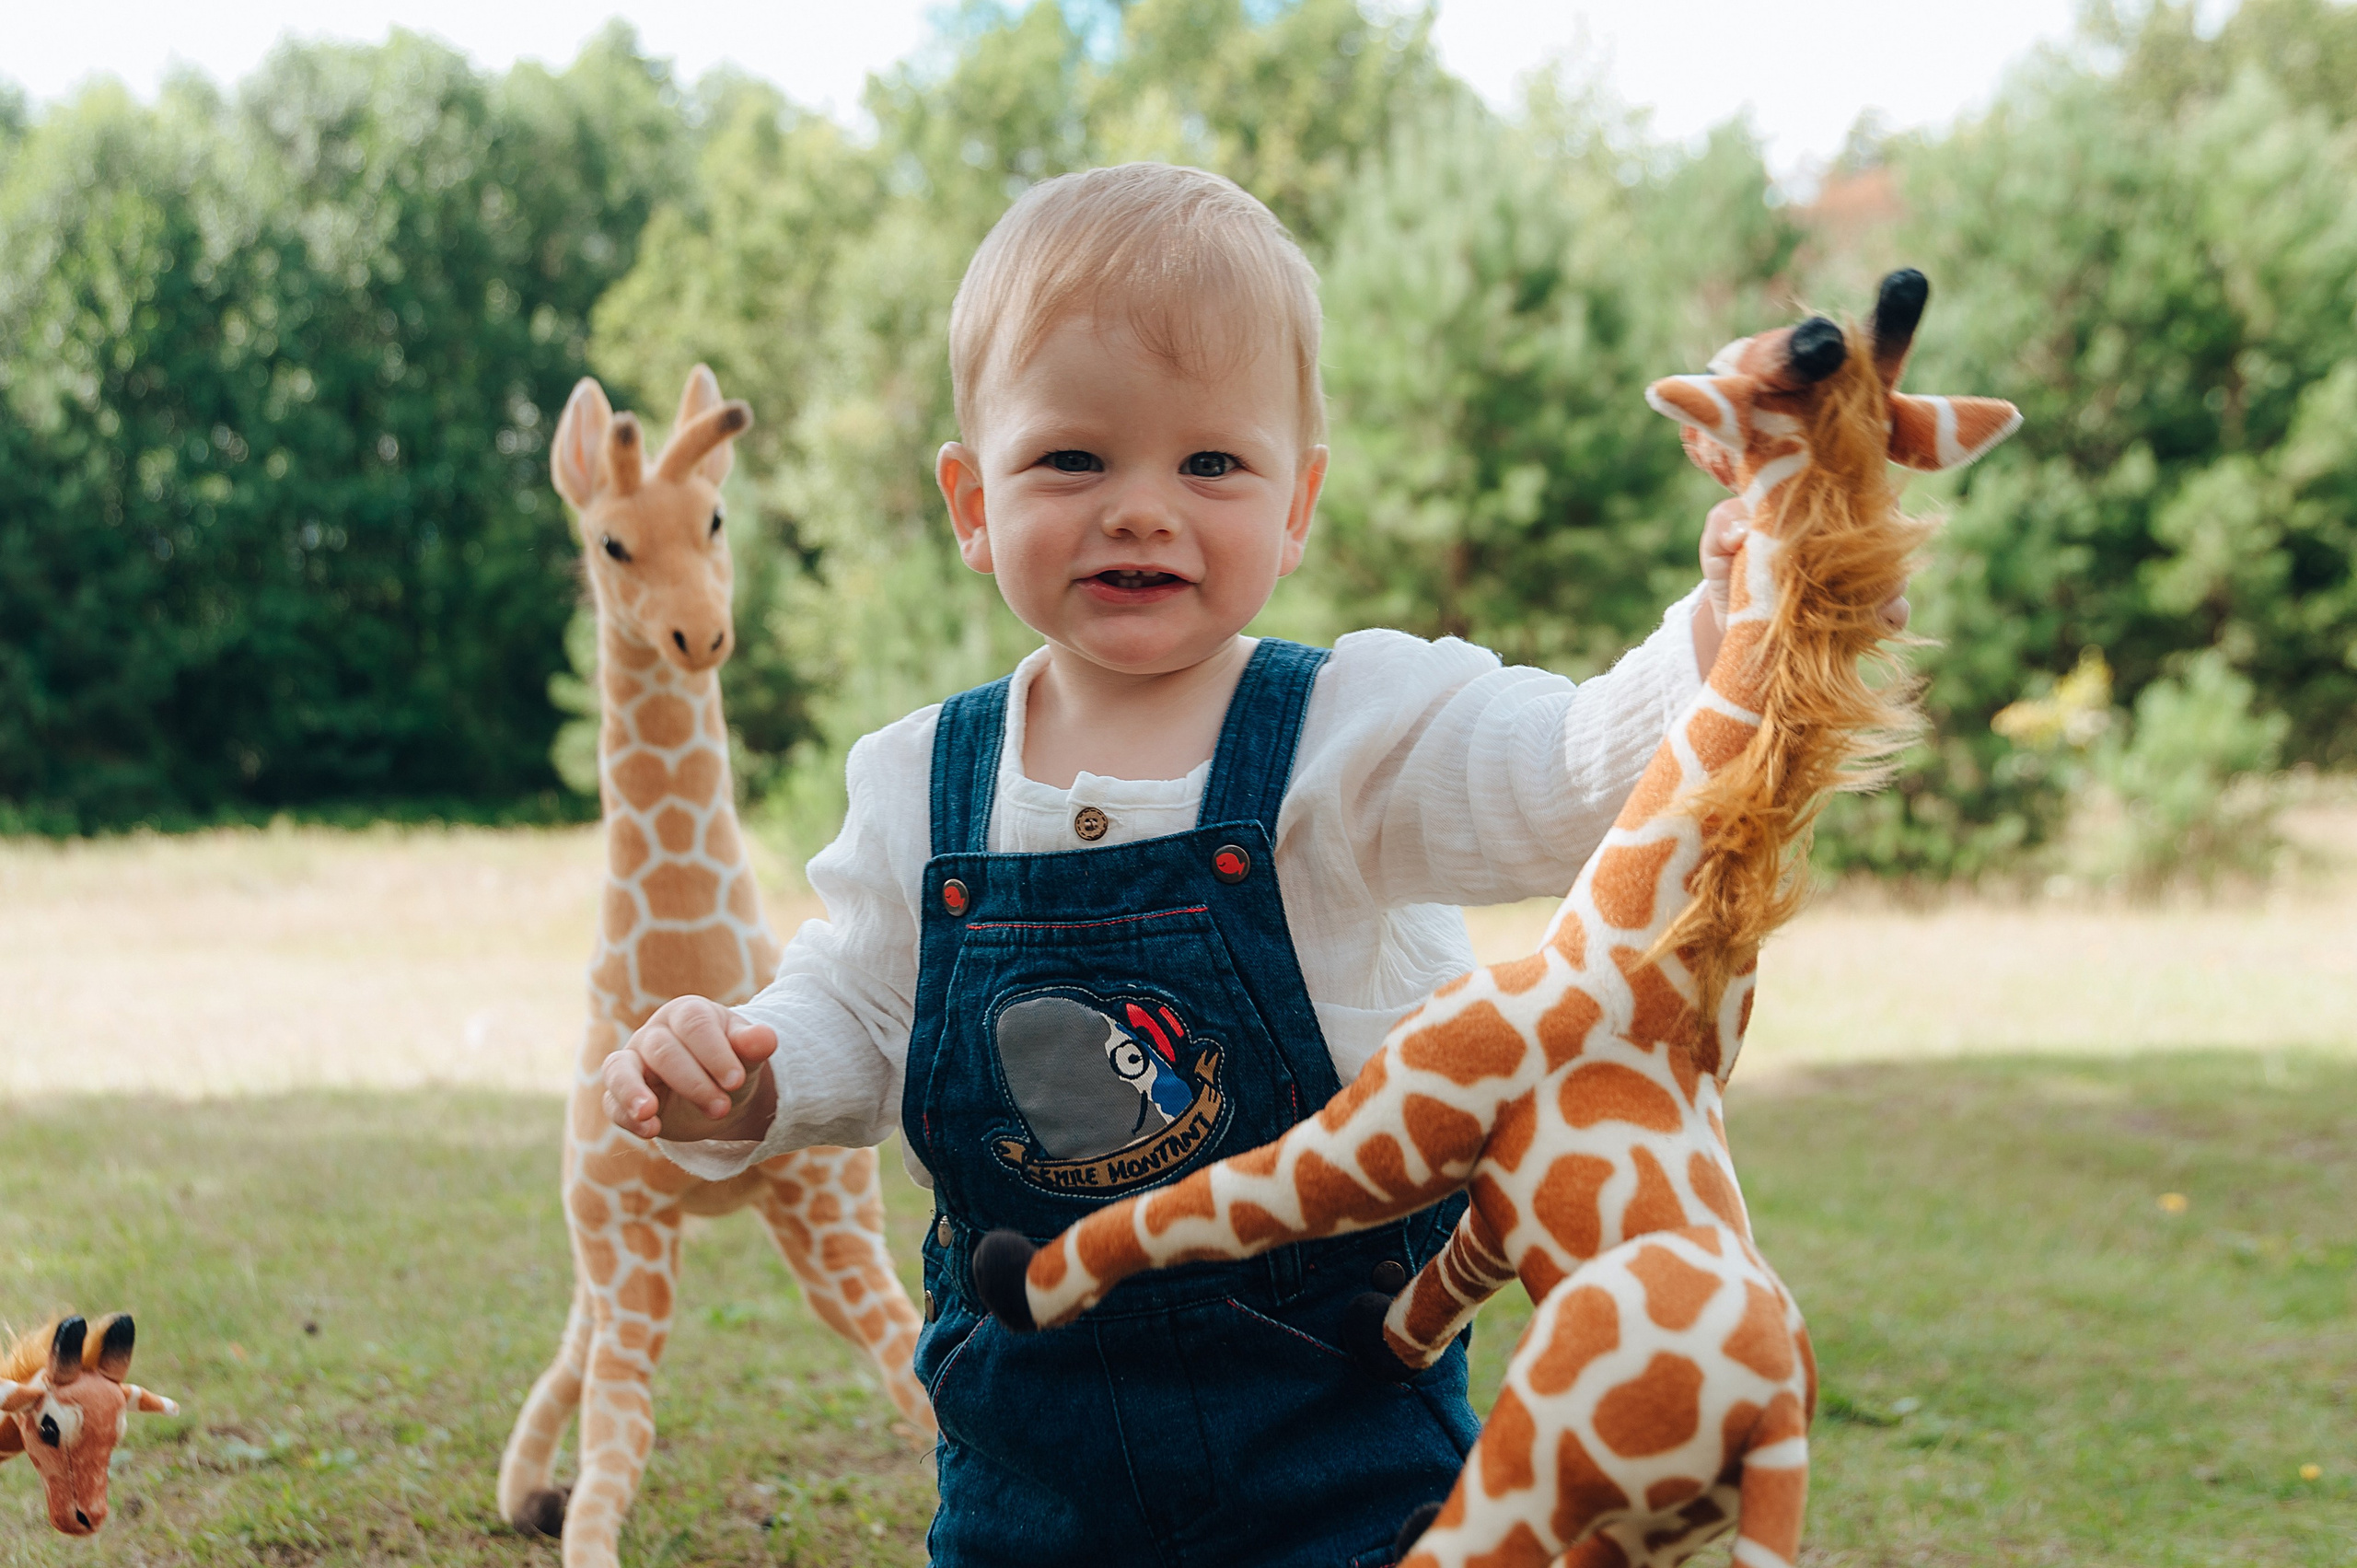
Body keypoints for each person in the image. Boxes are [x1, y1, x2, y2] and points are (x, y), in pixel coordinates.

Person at [598, 163, 1887, 1566]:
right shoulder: (918, 779)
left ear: (1298, 501)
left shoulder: (1357, 731)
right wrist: (749, 1069)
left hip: (1335, 1438)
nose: (1142, 509)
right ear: (971, 500)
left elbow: (1580, 771)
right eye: (1073, 459)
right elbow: (857, 1013)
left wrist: (1738, 610)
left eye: (1211, 463)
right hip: (1031, 1451)